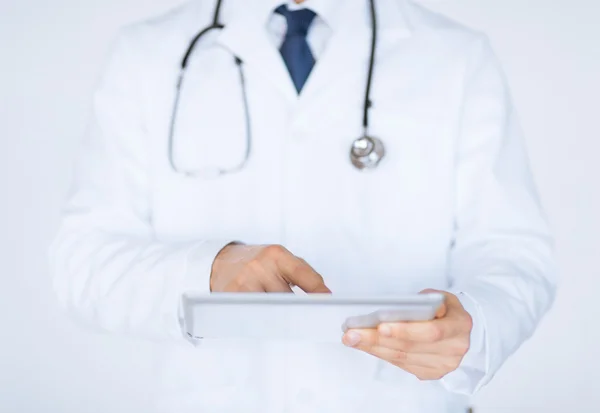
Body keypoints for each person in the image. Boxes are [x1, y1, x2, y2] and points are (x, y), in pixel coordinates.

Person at [49, 0, 557, 412]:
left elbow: (513, 251)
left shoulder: (455, 56)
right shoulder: (147, 54)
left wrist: (477, 326)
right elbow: (82, 263)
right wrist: (207, 270)